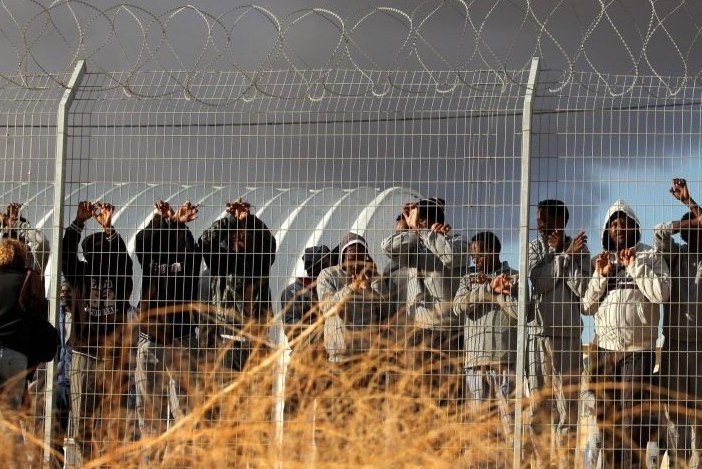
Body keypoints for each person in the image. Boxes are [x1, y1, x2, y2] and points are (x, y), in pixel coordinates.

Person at [582, 199, 670, 467]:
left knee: (632, 421)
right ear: (607, 231)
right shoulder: (602, 260)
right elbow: (587, 306)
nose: (618, 228)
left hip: (637, 352)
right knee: (607, 421)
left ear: (634, 227)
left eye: (624, 223)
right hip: (605, 353)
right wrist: (600, 276)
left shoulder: (649, 256)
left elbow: (662, 293)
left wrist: (634, 267)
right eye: (613, 225)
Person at [62, 201, 133, 464]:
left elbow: (123, 260)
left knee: (104, 419)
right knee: (85, 419)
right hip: (87, 353)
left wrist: (103, 228)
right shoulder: (81, 274)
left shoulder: (120, 275)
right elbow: (66, 257)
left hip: (108, 357)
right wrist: (82, 224)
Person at [380, 198, 469, 405]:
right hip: (420, 331)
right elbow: (388, 247)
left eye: (416, 219)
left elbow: (451, 257)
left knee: (450, 395)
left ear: (424, 222)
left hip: (450, 330)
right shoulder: (414, 245)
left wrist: (425, 233)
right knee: (419, 394)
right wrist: (407, 228)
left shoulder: (457, 241)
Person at [526, 199, 590, 461]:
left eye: (543, 219)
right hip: (539, 336)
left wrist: (567, 254)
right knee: (540, 408)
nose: (539, 224)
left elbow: (583, 288)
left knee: (568, 410)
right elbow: (539, 282)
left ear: (559, 222)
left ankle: (566, 463)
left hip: (568, 338)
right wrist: (564, 257)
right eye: (538, 219)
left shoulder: (580, 250)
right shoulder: (534, 248)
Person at [134, 200, 202, 442]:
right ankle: (152, 457)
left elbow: (193, 254)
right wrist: (161, 219)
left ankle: (180, 457)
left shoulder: (188, 252)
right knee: (149, 409)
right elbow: (142, 241)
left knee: (184, 409)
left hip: (181, 337)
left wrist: (177, 224)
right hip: (151, 336)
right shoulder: (149, 253)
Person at [654, 178, 702, 466]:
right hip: (674, 345)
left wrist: (690, 202)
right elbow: (659, 233)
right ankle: (677, 463)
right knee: (675, 413)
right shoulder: (676, 256)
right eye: (694, 230)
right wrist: (690, 221)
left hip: (701, 348)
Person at [199, 200, 276, 373]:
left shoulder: (260, 263)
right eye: (235, 233)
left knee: (257, 390)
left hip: (256, 343)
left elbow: (269, 242)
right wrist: (231, 220)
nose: (240, 236)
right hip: (227, 343)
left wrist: (249, 220)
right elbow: (205, 241)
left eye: (245, 233)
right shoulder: (219, 262)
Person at [453, 231, 518, 439]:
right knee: (479, 427)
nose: (475, 260)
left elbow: (520, 312)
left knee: (509, 424)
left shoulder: (513, 277)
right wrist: (487, 289)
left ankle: (512, 456)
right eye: (473, 256)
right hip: (474, 362)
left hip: (503, 361)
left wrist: (499, 293)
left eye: (479, 255)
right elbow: (458, 306)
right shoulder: (468, 279)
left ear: (494, 251)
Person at [317, 233, 389, 363]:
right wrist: (352, 287)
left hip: (368, 355)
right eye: (352, 257)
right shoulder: (328, 274)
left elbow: (385, 312)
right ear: (343, 256)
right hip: (341, 355)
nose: (356, 263)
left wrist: (371, 285)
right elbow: (327, 307)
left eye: (360, 257)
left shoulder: (371, 277)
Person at [280, 245, 333, 346]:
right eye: (327, 265)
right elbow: (293, 330)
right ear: (318, 269)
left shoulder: (330, 289)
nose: (332, 269)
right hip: (306, 352)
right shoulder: (292, 292)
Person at [0, 202, 49, 272]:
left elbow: (41, 241)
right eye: (8, 236)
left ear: (27, 239)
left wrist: (13, 223)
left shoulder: (33, 260)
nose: (12, 241)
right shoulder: (2, 257)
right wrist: (5, 222)